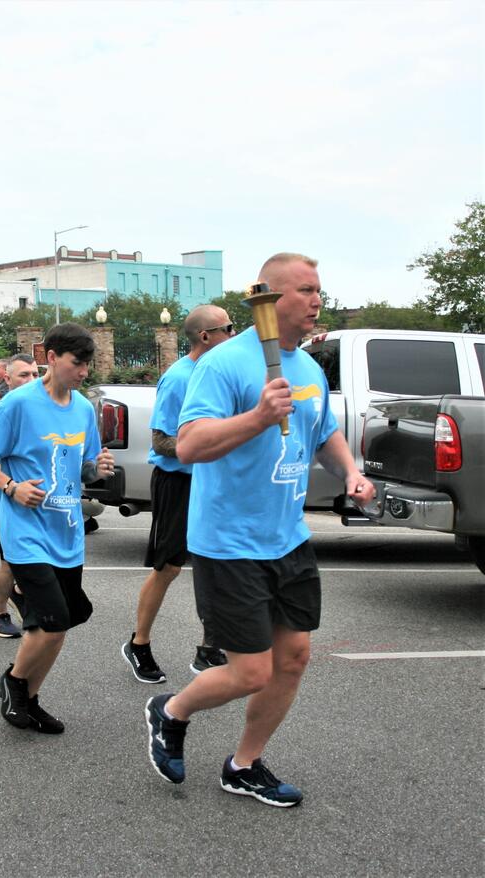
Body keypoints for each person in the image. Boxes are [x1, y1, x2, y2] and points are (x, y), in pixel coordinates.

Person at [145, 253, 375, 808]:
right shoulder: (224, 363)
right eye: (306, 290)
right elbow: (191, 445)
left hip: (287, 536)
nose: (317, 300)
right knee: (250, 672)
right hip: (228, 540)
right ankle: (170, 711)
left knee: (293, 658)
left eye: (320, 289)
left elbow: (323, 432)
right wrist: (256, 418)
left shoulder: (309, 368)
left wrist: (350, 471)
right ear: (271, 297)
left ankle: (243, 765)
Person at [0, 324, 115, 734]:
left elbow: (81, 465)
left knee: (58, 626)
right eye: (76, 363)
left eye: (88, 364)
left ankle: (28, 700)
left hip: (67, 533)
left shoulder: (83, 408)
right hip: (25, 533)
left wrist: (95, 469)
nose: (84, 372)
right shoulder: (19, 404)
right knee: (51, 621)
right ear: (51, 357)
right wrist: (9, 486)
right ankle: (12, 681)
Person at [122, 305, 235, 683]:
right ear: (205, 336)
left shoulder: (221, 373)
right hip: (179, 483)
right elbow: (161, 440)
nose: (233, 335)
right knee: (168, 567)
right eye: (227, 328)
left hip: (214, 481)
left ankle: (209, 647)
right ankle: (138, 644)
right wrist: (209, 445)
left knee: (217, 563)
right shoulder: (178, 378)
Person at [0, 353, 39, 638]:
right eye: (23, 375)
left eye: (34, 374)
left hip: (35, 505)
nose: (31, 380)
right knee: (9, 562)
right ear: (7, 378)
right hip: (4, 505)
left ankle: (21, 592)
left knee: (28, 561)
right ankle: (0, 613)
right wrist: (9, 485)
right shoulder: (0, 412)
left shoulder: (39, 410)